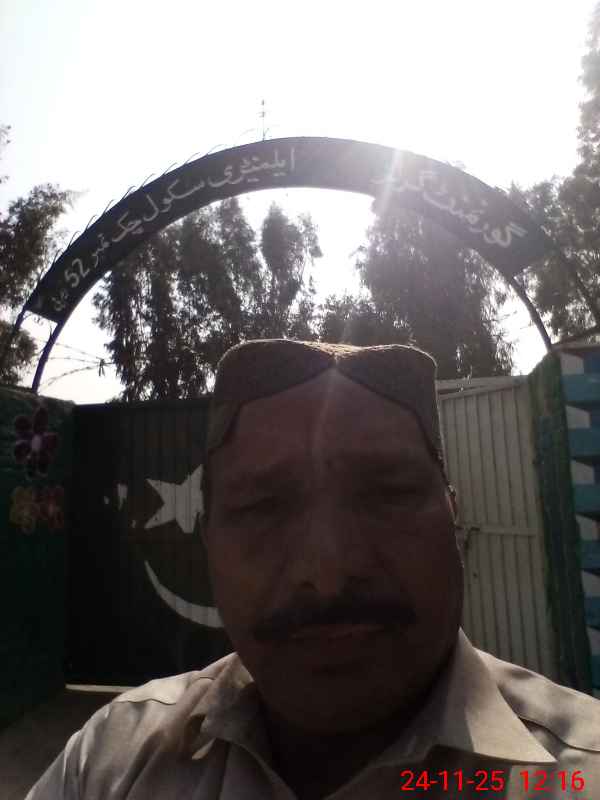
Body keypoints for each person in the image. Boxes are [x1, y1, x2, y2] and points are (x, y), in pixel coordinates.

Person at [27, 339, 600, 799]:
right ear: (209, 544)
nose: (328, 576)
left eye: (388, 494)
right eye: (263, 508)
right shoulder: (111, 763)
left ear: (453, 516)